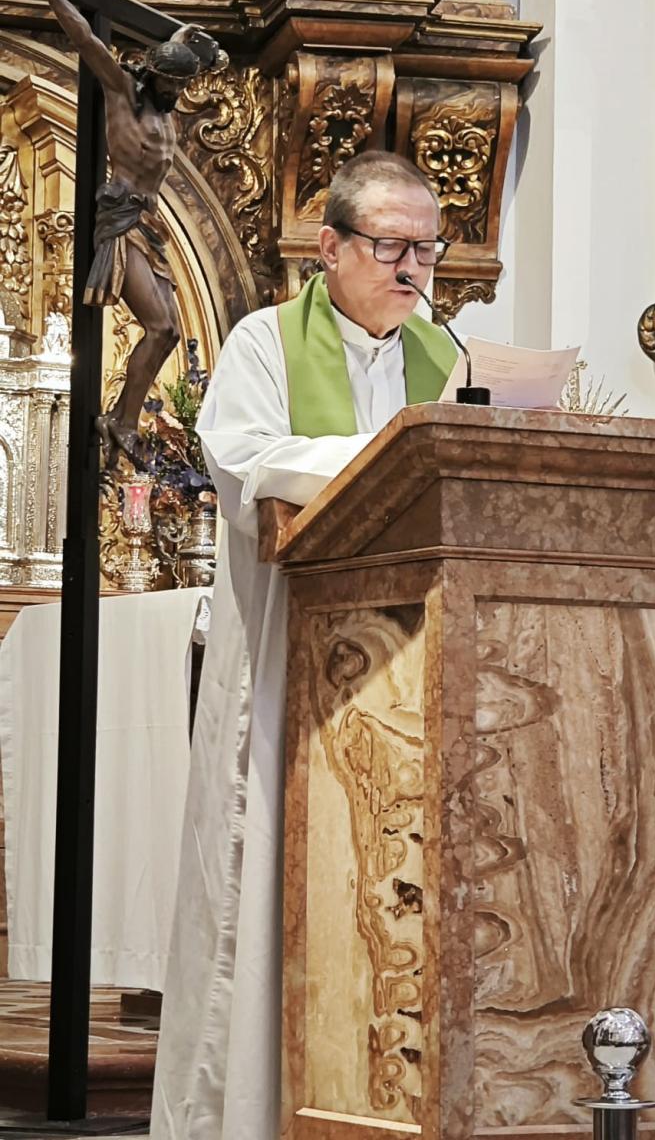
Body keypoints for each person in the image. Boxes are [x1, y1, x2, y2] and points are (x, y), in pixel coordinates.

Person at [151, 151, 455, 1140]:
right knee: (266, 875)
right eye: (392, 246)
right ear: (329, 247)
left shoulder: (445, 355)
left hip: (413, 672)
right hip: (291, 663)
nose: (413, 269)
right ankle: (241, 1115)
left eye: (427, 248)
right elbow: (241, 459)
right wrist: (388, 461)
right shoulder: (266, 343)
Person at [28, 0, 228, 465]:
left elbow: (185, 43)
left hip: (149, 223)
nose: (178, 94)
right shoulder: (123, 92)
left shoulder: (163, 106)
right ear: (154, 78)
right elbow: (85, 38)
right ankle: (119, 423)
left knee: (171, 333)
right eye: (172, 85)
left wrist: (192, 40)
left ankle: (123, 419)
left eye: (183, 86)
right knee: (159, 326)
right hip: (121, 221)